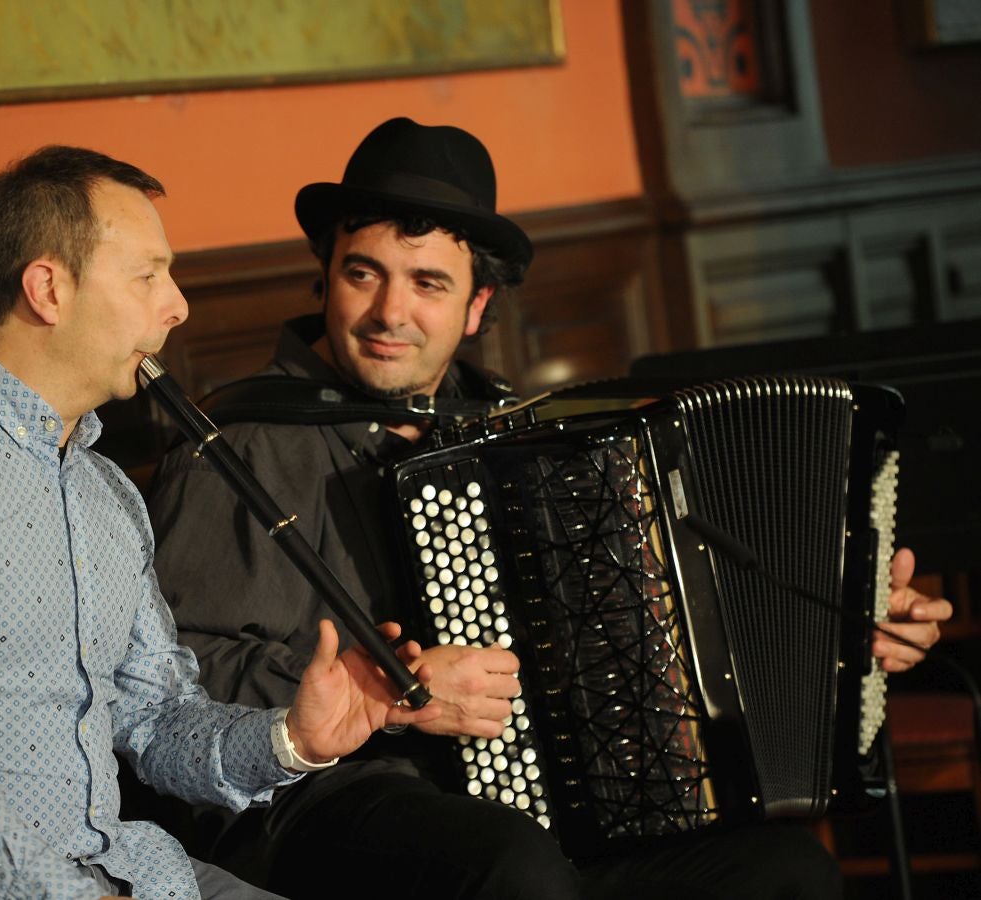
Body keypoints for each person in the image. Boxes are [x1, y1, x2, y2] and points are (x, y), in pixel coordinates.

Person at [146, 118, 954, 899]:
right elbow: (177, 672)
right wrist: (392, 695)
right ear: (326, 275)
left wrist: (841, 622)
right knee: (510, 869)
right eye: (364, 273)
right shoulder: (241, 442)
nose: (389, 313)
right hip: (316, 800)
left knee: (782, 872)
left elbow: (645, 615)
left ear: (475, 307)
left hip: (533, 800)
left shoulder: (510, 434)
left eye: (427, 283)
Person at [0, 144, 445, 900]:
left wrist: (293, 739)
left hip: (121, 869)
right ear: (47, 288)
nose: (176, 305)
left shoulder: (105, 491)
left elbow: (157, 719)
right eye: (147, 276)